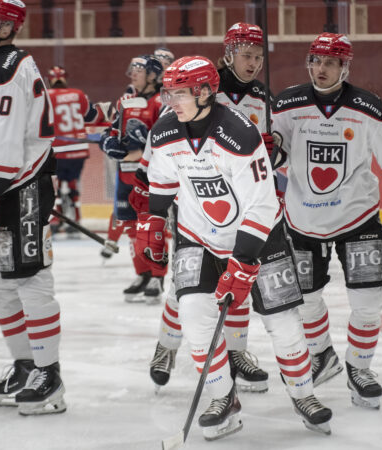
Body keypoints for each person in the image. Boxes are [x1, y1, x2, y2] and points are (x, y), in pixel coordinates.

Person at [135, 56, 332, 440]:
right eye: (168, 93)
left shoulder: (238, 134)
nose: (171, 101)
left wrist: (242, 262)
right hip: (197, 235)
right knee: (194, 314)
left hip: (259, 237)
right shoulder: (164, 131)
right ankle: (223, 398)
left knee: (282, 321)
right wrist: (154, 222)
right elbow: (161, 180)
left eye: (179, 93)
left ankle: (303, 394)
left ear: (205, 92)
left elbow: (261, 205)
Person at [271, 32, 382, 409]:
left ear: (345, 67)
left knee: (368, 302)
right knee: (305, 300)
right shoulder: (287, 104)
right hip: (303, 220)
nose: (321, 68)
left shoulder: (368, 107)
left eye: (330, 62)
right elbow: (276, 155)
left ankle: (359, 368)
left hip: (358, 219)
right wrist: (270, 151)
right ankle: (323, 355)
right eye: (316, 61)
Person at [147, 23, 287, 394]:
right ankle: (166, 345)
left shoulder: (263, 97)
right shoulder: (201, 84)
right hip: (197, 202)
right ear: (229, 53)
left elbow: (274, 157)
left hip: (241, 205)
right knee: (186, 283)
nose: (253, 63)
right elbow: (166, 139)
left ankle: (235, 351)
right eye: (246, 55)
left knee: (236, 279)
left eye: (258, 57)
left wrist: (273, 152)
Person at [0, 0, 66, 415]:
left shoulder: (3, 69)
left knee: (31, 279)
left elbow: (7, 140)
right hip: (8, 185)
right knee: (1, 283)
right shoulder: (1, 64)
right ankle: (26, 366)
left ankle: (49, 375)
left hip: (20, 188)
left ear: (7, 28)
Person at [98, 54, 168, 304]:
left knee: (151, 228)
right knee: (131, 229)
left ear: (152, 74)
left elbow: (165, 140)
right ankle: (142, 274)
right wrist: (108, 143)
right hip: (124, 175)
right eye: (133, 69)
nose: (134, 73)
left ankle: (157, 277)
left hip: (148, 177)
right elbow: (112, 131)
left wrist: (143, 147)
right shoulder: (125, 101)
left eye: (140, 69)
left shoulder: (162, 102)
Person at [47, 66, 90, 234]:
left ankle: (56, 219)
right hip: (79, 148)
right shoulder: (78, 94)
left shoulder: (46, 95)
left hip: (58, 148)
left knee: (54, 184)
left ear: (50, 80)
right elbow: (88, 114)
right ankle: (76, 217)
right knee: (73, 182)